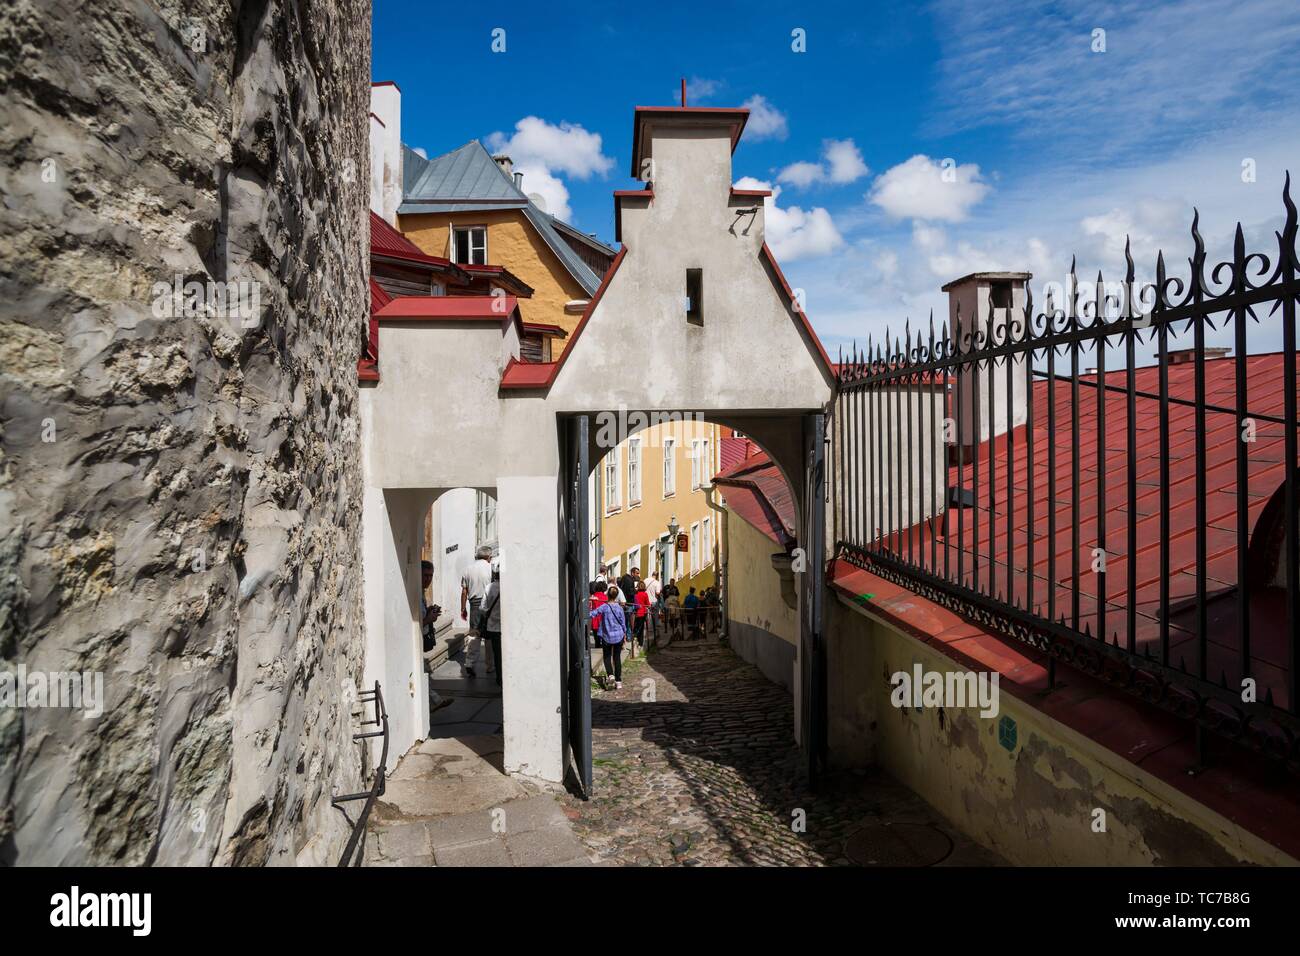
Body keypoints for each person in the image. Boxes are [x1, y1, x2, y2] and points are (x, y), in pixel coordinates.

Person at [420, 561, 453, 714]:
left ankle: (435, 701)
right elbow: (416, 621)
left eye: (430, 576)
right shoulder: (415, 593)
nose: (428, 579)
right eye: (425, 575)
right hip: (418, 637)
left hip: (422, 637)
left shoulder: (421, 593)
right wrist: (428, 619)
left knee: (424, 671)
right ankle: (434, 702)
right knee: (423, 672)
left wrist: (429, 611)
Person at [459, 546, 492, 677]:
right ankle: (490, 666)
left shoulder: (467, 569)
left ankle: (469, 663)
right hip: (489, 603)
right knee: (489, 635)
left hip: (474, 604)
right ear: (489, 557)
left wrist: (463, 608)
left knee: (474, 635)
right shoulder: (491, 568)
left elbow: (464, 591)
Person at [590, 586, 628, 690]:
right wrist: (624, 634)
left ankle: (611, 675)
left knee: (607, 657)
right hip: (618, 636)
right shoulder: (619, 608)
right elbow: (623, 623)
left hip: (607, 636)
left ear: (608, 595)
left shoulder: (604, 607)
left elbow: (593, 614)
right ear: (616, 596)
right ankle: (618, 681)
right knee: (617, 658)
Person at [481, 568, 502, 688]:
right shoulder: (509, 586)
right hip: (506, 627)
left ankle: (499, 679)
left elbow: (482, 607)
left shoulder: (489, 587)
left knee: (497, 654)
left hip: (493, 628)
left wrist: (490, 614)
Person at [633, 580, 651, 650]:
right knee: (641, 628)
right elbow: (648, 604)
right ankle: (640, 643)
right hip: (643, 613)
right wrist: (649, 606)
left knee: (636, 626)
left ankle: (635, 639)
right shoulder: (645, 594)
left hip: (636, 613)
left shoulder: (636, 594)